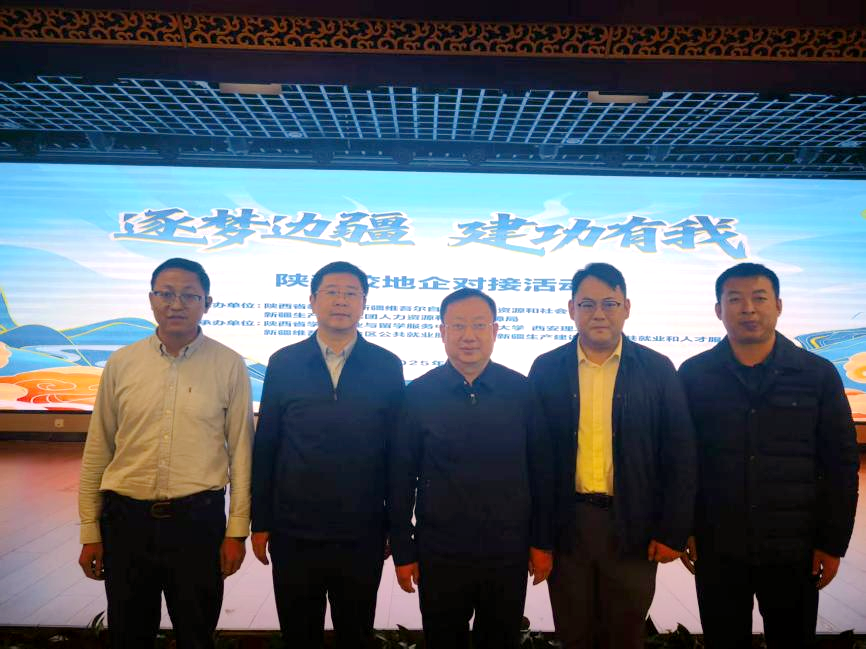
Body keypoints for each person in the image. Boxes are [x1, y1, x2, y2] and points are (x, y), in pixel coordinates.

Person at [678, 262, 859, 649]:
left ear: (778, 305)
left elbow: (841, 464)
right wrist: (683, 527)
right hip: (718, 546)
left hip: (795, 548)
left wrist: (832, 542)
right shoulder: (693, 375)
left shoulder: (817, 374)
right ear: (718, 310)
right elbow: (682, 460)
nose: (748, 309)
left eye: (759, 298)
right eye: (735, 299)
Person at [78, 257, 254, 649]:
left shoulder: (228, 364)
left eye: (189, 295)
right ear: (151, 299)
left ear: (207, 303)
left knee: (196, 634)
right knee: (128, 635)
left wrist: (236, 531)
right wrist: (90, 530)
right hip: (126, 523)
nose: (176, 304)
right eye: (166, 294)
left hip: (198, 523)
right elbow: (98, 448)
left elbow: (242, 453)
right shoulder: (122, 362)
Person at [528, 262, 696, 649]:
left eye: (609, 303)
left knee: (625, 634)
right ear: (571, 309)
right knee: (574, 633)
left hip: (634, 526)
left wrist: (672, 530)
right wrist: (538, 537)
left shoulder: (657, 369)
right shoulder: (546, 369)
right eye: (587, 304)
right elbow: (535, 460)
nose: (598, 313)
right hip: (568, 526)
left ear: (627, 308)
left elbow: (680, 455)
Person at [389, 288, 554, 649]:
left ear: (495, 331)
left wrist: (542, 542)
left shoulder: (522, 391)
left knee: (500, 639)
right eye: (458, 325)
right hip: (440, 551)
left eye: (479, 325)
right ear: (442, 332)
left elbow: (542, 473)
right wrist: (403, 550)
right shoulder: (418, 394)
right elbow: (400, 477)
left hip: (507, 551)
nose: (468, 335)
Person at [251, 261, 404, 649]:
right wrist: (261, 521)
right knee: (298, 633)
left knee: (356, 632)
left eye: (351, 293)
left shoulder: (387, 365)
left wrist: (394, 525)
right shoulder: (284, 362)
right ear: (312, 301)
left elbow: (396, 453)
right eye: (331, 292)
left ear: (364, 303)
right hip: (294, 530)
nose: (341, 301)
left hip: (362, 531)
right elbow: (267, 445)